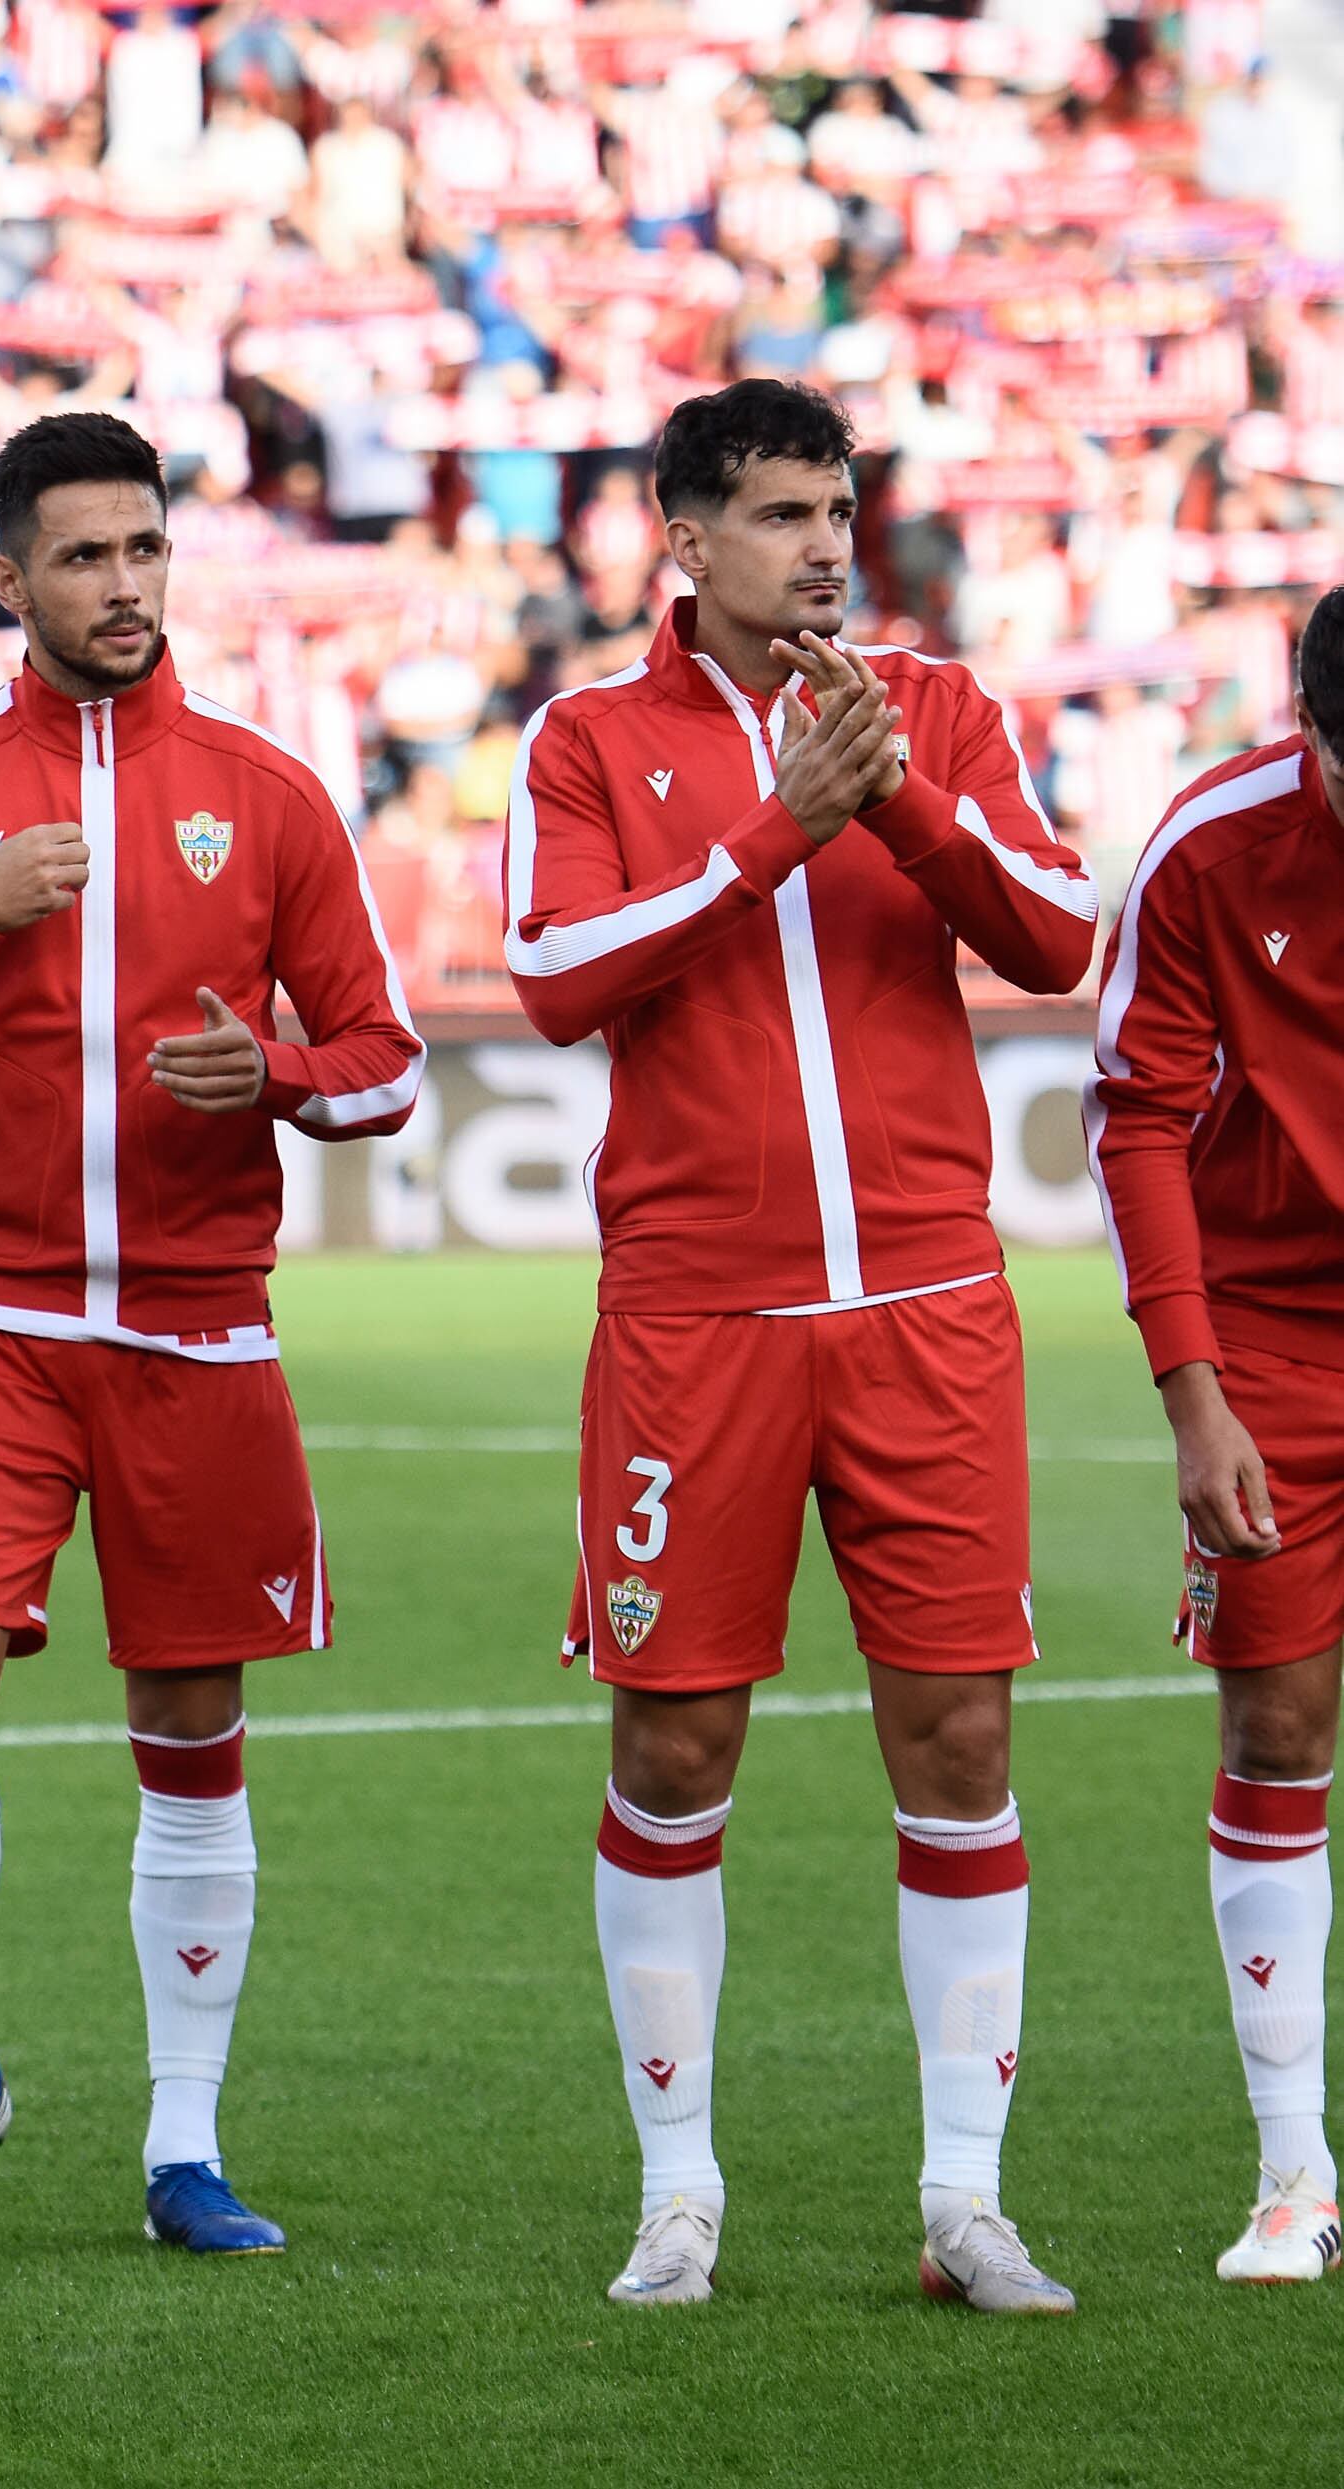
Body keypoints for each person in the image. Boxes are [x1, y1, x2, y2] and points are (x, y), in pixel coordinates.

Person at [0, 413, 424, 2258]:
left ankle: (182, 2145)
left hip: (197, 1329)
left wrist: (278, 1077)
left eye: (143, 549)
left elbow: (386, 1061)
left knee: (190, 1719)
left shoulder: (265, 792)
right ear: (8, 578)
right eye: (81, 556)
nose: (123, 585)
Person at [501, 379, 1100, 2313]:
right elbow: (554, 975)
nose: (822, 545)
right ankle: (675, 2192)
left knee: (960, 1737)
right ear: (681, 541)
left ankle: (964, 2201)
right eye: (776, 513)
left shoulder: (939, 710)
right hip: (693, 1321)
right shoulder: (587, 739)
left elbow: (1056, 937)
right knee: (673, 1745)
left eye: (834, 510)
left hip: (925, 1307)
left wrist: (894, 797)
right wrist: (777, 831)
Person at [1085, 583, 1344, 2285]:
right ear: (1308, 728)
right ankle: (1292, 2173)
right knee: (1277, 1721)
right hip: (1271, 1339)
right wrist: (1192, 1391)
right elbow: (1135, 1116)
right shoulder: (1207, 844)